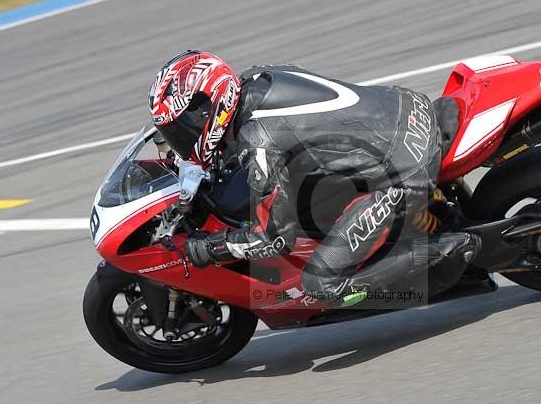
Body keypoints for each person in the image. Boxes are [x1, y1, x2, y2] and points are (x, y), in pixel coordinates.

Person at [149, 50, 477, 307]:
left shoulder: (259, 143)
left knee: (320, 285)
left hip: (404, 168)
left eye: (181, 129)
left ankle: (450, 250)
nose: (180, 138)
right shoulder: (258, 78)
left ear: (210, 106)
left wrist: (210, 248)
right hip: (404, 110)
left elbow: (276, 240)